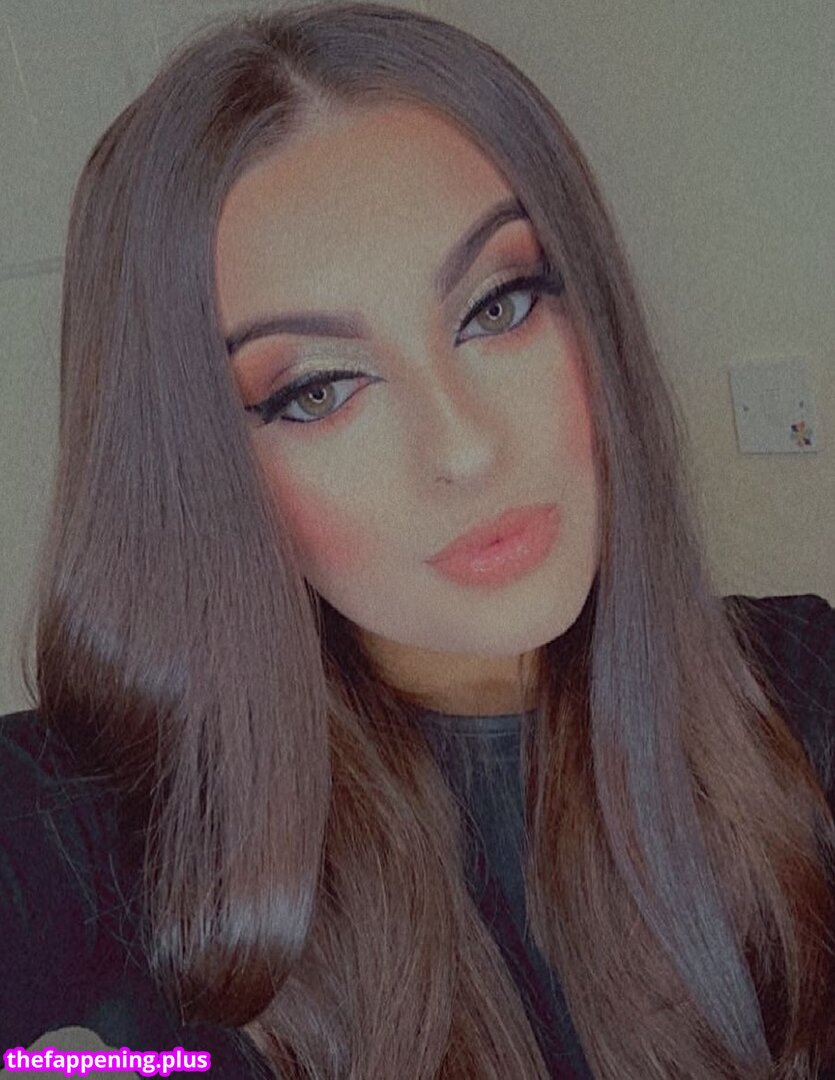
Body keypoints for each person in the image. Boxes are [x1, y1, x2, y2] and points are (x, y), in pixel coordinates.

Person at [2, 3, 834, 1078]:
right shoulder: (100, 818)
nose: (465, 448)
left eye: (499, 307)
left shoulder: (796, 689)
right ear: (200, 478)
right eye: (317, 391)